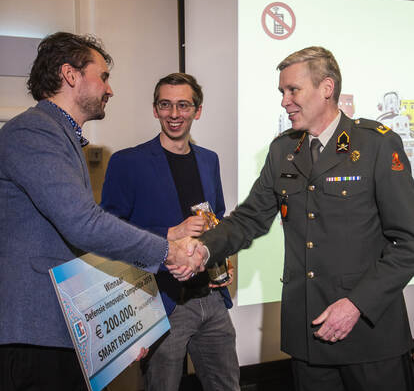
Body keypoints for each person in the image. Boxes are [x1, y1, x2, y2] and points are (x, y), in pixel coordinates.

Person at [187, 47, 414, 390]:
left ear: (326, 88)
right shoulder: (283, 150)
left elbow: (408, 242)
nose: (284, 101)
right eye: (282, 91)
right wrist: (202, 249)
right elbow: (249, 218)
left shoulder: (376, 145)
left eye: (293, 90)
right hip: (309, 336)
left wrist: (357, 304)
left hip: (370, 336)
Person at [0, 33, 204, 391]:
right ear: (71, 75)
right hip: (34, 334)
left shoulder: (61, 136)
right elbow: (84, 225)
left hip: (58, 332)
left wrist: (124, 328)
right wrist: (168, 251)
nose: (110, 89)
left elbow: (72, 244)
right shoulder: (34, 132)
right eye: (103, 77)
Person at [101, 73, 240, 390]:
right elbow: (108, 231)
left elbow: (215, 218)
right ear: (155, 109)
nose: (174, 114)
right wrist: (170, 232)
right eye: (165, 105)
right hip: (162, 302)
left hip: (211, 297)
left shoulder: (209, 160)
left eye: (183, 105)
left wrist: (221, 256)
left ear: (197, 111)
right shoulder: (128, 162)